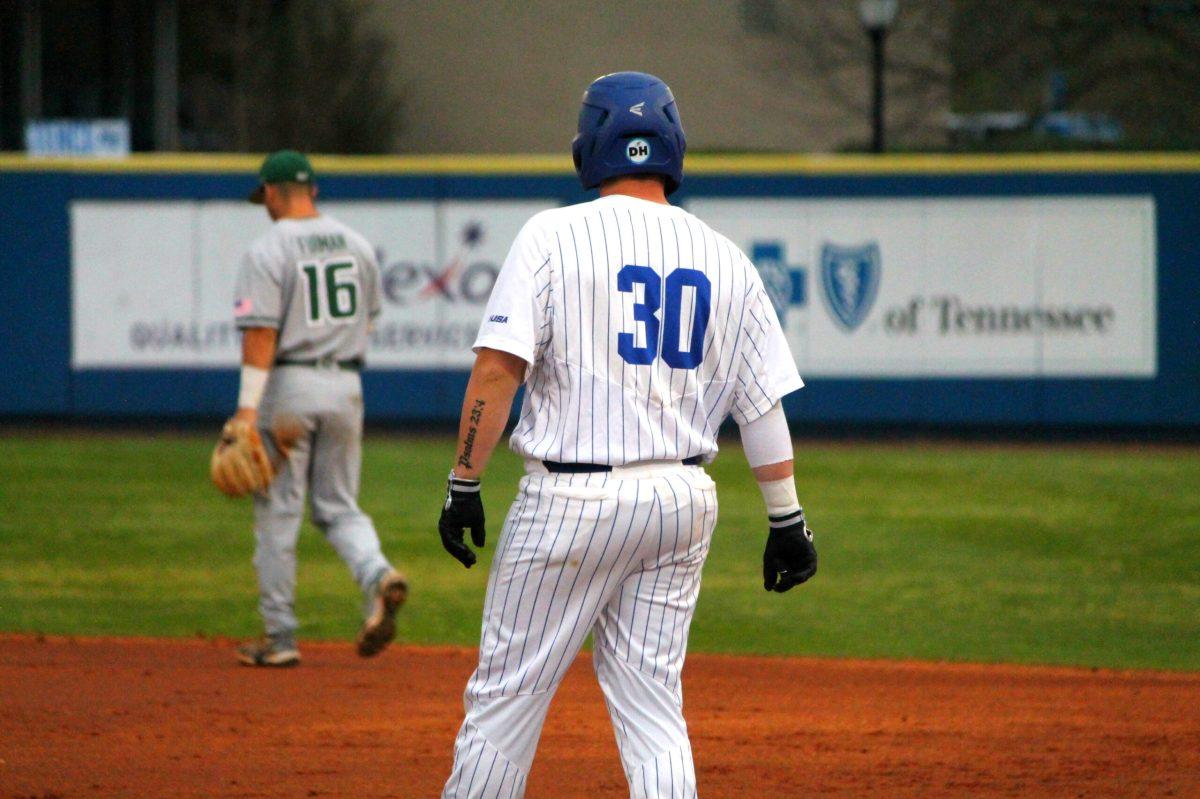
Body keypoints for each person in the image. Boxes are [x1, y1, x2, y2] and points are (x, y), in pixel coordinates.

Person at [436, 73, 817, 797]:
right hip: (680, 500)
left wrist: (464, 482)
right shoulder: (726, 257)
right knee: (652, 708)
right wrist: (787, 517)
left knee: (505, 703)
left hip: (571, 502)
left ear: (590, 144)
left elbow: (496, 373)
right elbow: (760, 404)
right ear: (673, 146)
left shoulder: (551, 234)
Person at [229, 149, 407, 667]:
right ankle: (377, 575)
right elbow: (369, 320)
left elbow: (260, 334)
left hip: (290, 387)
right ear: (315, 192)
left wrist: (245, 411)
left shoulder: (267, 248)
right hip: (346, 386)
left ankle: (280, 637)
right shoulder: (356, 245)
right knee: (338, 507)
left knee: (279, 512)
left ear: (269, 192)